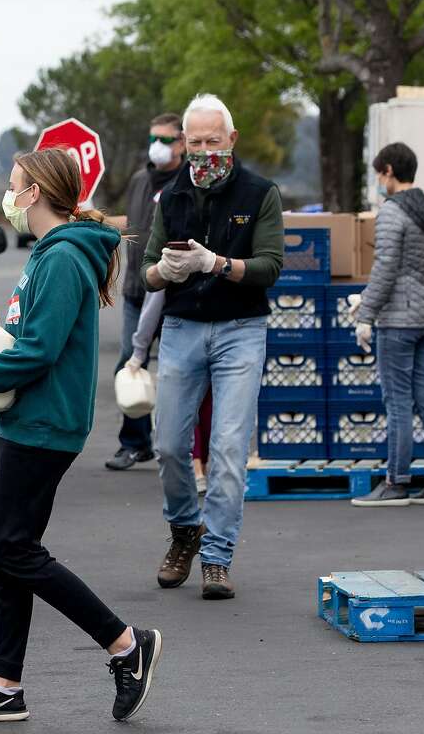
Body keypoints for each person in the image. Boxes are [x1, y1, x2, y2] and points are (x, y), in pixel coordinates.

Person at [0, 148, 164, 725]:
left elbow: (40, 348)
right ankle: (3, 684)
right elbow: (21, 336)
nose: (9, 197)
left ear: (35, 192)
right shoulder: (48, 254)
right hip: (24, 420)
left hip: (44, 424)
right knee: (4, 553)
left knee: (13, 549)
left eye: (14, 185)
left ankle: (125, 645)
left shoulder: (61, 258)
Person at [142, 93, 283, 601]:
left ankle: (217, 555)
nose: (204, 151)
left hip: (241, 327)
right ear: (184, 142)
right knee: (169, 445)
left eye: (213, 141)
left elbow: (270, 265)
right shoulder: (173, 194)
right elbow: (148, 272)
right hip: (182, 327)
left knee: (227, 449)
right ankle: (185, 530)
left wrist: (218, 264)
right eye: (195, 142)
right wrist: (165, 270)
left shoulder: (259, 192)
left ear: (232, 140)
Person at [351, 143, 424, 507]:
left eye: (380, 173)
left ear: (390, 171)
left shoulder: (393, 211)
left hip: (398, 318)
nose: (379, 180)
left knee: (397, 401)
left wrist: (366, 313)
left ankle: (396, 482)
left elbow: (385, 268)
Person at [107, 113, 185, 471]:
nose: (158, 145)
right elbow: (134, 223)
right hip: (137, 289)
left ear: (182, 143)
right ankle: (135, 443)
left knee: (176, 371)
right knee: (129, 364)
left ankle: (178, 445)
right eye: (154, 138)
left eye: (166, 139)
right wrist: (96, 219)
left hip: (173, 292)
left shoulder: (186, 183)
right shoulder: (141, 179)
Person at [122, 289, 212, 494]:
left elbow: (154, 299)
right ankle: (198, 466)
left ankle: (199, 466)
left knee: (198, 409)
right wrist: (139, 349)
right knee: (198, 409)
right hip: (196, 339)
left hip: (201, 338)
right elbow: (155, 297)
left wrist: (139, 349)